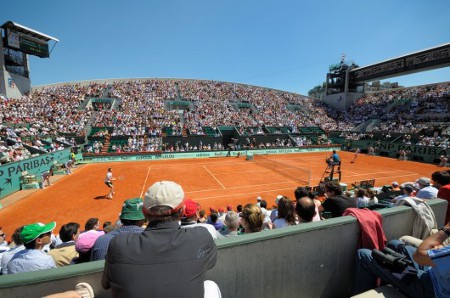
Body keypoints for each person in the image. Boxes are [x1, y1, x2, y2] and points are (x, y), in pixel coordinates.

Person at [102, 181, 220, 297]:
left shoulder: (118, 244)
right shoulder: (201, 236)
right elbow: (210, 263)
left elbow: (105, 284)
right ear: (181, 211)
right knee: (210, 285)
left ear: (144, 212)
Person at [351, 220, 450, 297]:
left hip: (432, 290)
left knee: (363, 255)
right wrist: (441, 252)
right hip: (436, 274)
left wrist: (446, 229)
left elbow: (419, 255)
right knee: (395, 244)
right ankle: (391, 283)